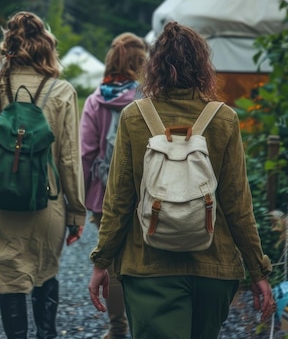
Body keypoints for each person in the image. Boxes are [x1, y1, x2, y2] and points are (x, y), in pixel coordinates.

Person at [87, 21, 275, 339]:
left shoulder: (134, 116)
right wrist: (257, 270)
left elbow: (119, 201)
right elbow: (238, 204)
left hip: (148, 267)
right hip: (213, 268)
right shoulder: (224, 119)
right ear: (203, 67)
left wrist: (101, 262)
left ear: (154, 68)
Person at [0, 11, 86, 339]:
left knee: (9, 282)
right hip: (48, 206)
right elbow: (71, 159)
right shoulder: (62, 91)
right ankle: (47, 334)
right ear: (46, 47)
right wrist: (76, 212)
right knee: (45, 274)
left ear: (7, 46)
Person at [80, 32, 147, 339]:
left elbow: (86, 152)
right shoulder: (148, 98)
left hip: (104, 193)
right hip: (146, 192)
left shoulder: (96, 100)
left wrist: (80, 199)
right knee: (148, 258)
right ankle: (144, 325)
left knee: (115, 263)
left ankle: (118, 329)